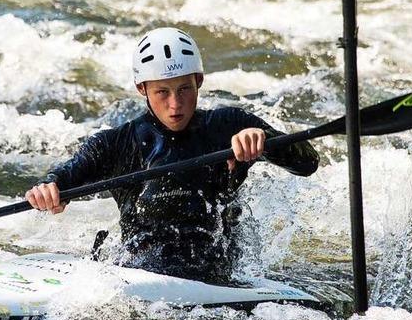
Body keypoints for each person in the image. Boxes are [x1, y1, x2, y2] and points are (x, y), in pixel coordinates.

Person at [26, 27, 319, 283]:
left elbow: (308, 163)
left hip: (218, 275)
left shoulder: (228, 125)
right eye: (162, 92)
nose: (175, 104)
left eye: (184, 89)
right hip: (141, 274)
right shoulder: (117, 143)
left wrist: (265, 141)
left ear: (199, 81)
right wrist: (50, 189)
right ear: (142, 88)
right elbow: (65, 175)